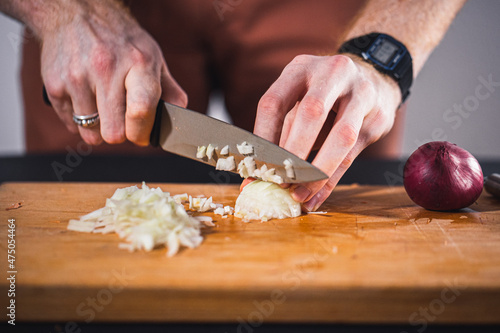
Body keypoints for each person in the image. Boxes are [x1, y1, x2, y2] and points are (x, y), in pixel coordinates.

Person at [0, 0, 466, 211]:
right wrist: (62, 11)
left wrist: (380, 54)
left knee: (333, 170)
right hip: (106, 13)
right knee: (84, 208)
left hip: (328, 12)